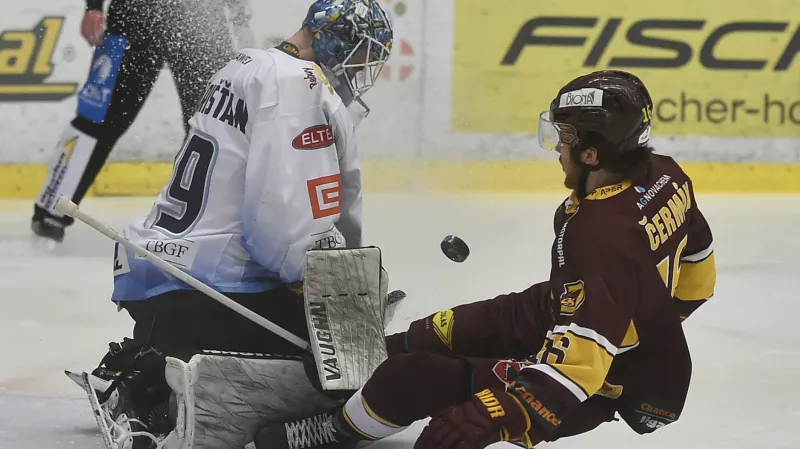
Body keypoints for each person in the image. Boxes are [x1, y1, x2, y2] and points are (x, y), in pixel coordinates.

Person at [254, 70, 717, 449]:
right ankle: (370, 377)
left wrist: (504, 412)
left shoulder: (598, 232)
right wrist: (652, 322)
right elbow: (699, 269)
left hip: (601, 379)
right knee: (431, 332)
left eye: (567, 137)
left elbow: (583, 361)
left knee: (408, 378)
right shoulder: (666, 175)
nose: (558, 147)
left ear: (593, 151)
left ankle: (335, 433)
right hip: (574, 313)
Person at [66, 1, 393, 448]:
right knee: (348, 374)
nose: (360, 71)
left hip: (155, 274)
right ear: (331, 39)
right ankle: (152, 386)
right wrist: (332, 293)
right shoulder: (301, 87)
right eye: (360, 57)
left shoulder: (247, 63)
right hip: (209, 289)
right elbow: (283, 229)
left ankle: (143, 356)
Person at [31, 0, 253, 244]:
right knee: (99, 115)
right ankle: (51, 208)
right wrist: (93, 6)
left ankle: (206, 225)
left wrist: (239, 17)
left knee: (210, 125)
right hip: (135, 14)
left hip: (201, 18)